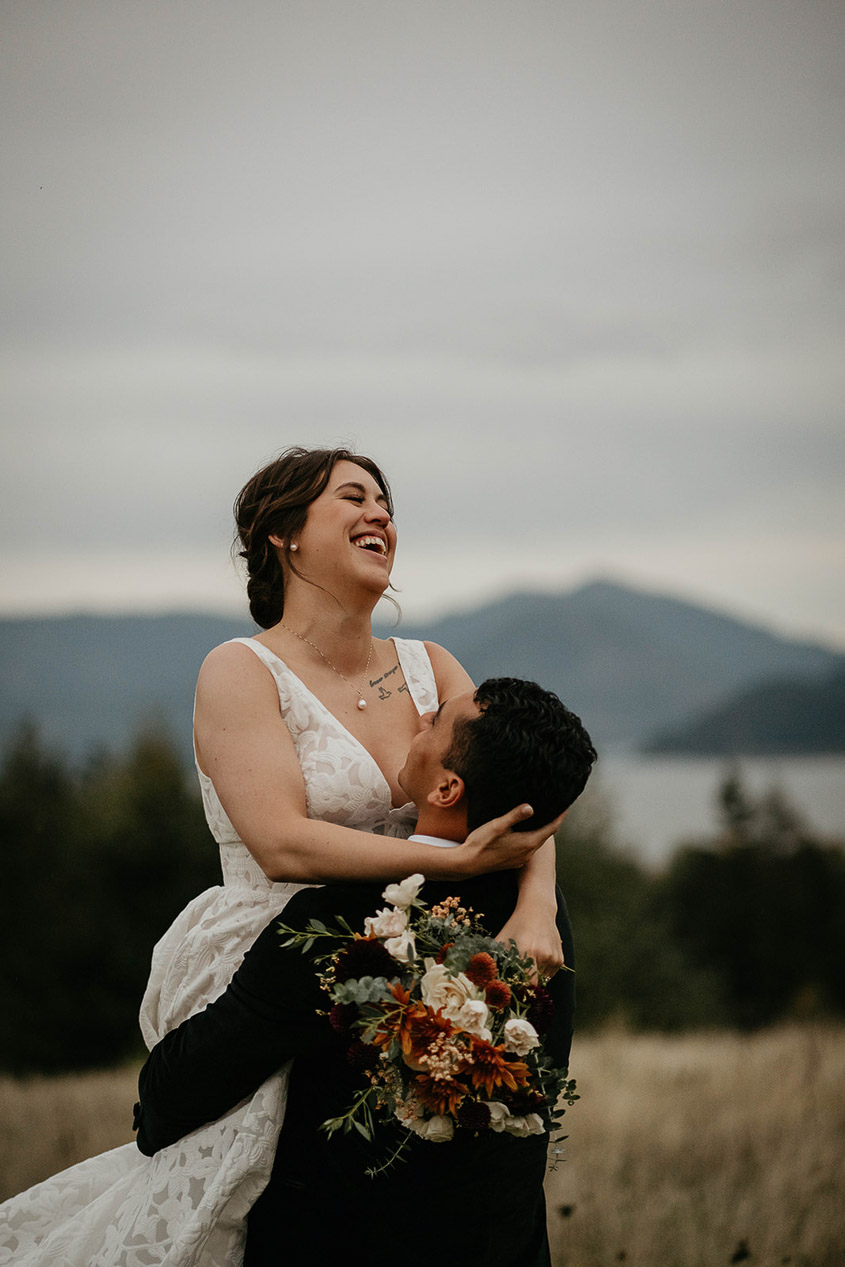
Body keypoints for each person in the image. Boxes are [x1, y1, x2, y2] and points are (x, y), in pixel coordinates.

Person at [0, 449, 565, 1266]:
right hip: (266, 955)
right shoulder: (239, 669)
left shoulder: (432, 667)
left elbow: (521, 795)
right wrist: (446, 866)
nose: (379, 513)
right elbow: (280, 841)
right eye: (351, 497)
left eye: (385, 500)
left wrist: (534, 904)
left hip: (402, 961)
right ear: (283, 537)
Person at [135, 675, 597, 1266]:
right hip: (506, 1246)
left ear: (448, 787)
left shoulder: (341, 918)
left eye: (437, 721)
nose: (422, 718)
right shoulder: (542, 919)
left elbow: (178, 1091)